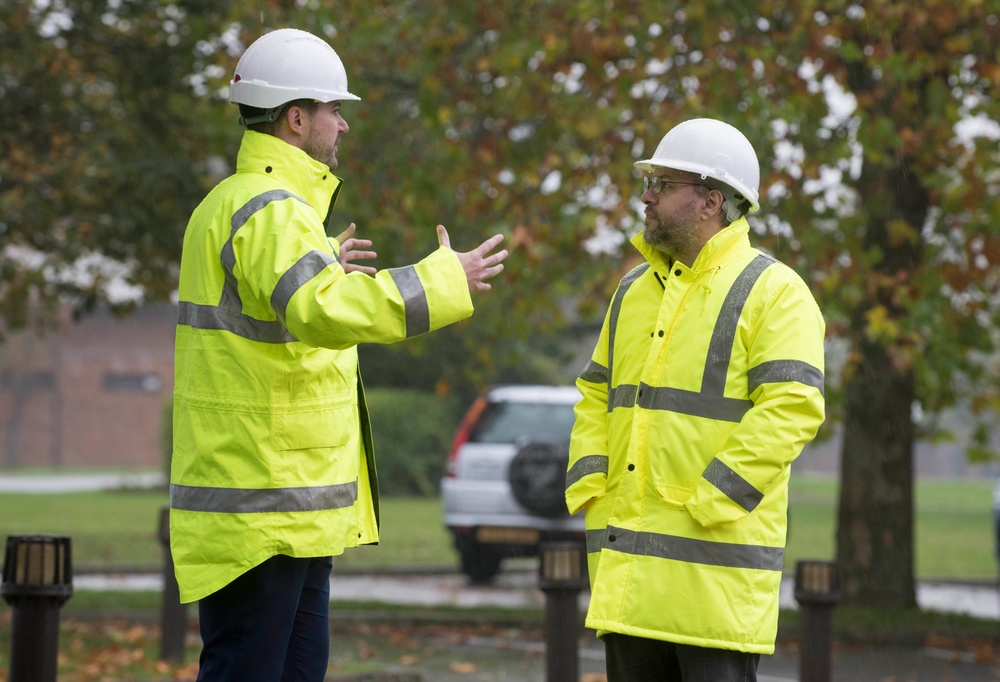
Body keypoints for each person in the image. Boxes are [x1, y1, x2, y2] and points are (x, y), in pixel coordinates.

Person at [169, 28, 508, 682]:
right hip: (264, 513)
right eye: (334, 110)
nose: (344, 125)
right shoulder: (271, 211)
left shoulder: (253, 208)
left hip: (280, 513)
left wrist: (323, 260)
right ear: (296, 119)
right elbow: (320, 310)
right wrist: (442, 281)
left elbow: (290, 308)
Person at [565, 118, 826, 681]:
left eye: (663, 184)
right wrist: (591, 482)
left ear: (711, 200)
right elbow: (595, 391)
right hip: (628, 584)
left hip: (712, 591)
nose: (646, 196)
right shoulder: (633, 290)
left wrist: (713, 497)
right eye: (649, 182)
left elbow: (793, 406)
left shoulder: (776, 293)